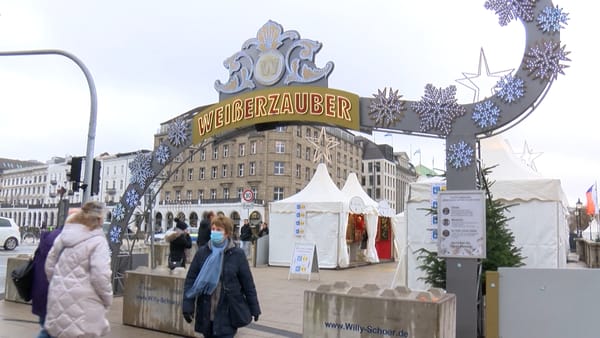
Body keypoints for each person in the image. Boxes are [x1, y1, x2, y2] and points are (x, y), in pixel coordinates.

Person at [182, 215, 261, 337]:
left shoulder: (237, 254)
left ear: (227, 233)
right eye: (213, 229)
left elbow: (248, 284)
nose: (214, 232)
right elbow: (191, 280)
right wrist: (187, 305)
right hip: (206, 312)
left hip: (228, 313)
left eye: (218, 230)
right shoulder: (202, 252)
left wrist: (254, 308)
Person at [44, 201, 113, 337]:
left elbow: (49, 265)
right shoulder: (98, 241)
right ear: (99, 220)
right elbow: (100, 275)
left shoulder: (64, 236)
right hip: (85, 306)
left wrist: (59, 283)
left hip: (58, 299)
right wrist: (107, 298)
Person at [31, 225, 62, 338]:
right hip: (53, 296)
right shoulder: (66, 240)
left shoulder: (49, 237)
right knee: (49, 331)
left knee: (47, 329)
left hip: (40, 292)